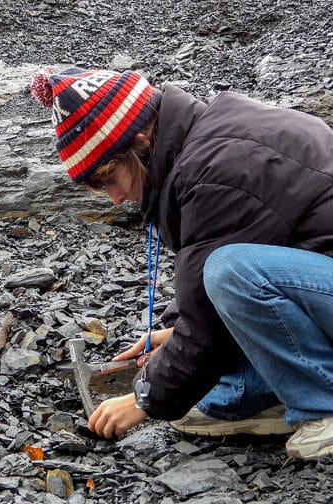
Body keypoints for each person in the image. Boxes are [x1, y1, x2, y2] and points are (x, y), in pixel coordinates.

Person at [30, 67, 333, 460]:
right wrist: (175, 331)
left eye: (108, 179)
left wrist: (145, 399)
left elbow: (209, 311)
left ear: (140, 142)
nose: (115, 198)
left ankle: (323, 404)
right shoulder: (205, 143)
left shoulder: (217, 169)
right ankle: (270, 395)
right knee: (228, 275)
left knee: (233, 271)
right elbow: (209, 269)